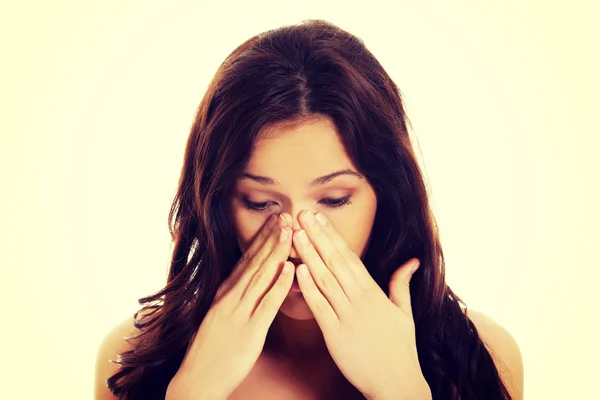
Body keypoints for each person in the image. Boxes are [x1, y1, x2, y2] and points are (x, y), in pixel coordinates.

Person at [94, 19, 524, 400]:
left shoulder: (484, 355)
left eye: (334, 200)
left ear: (388, 196)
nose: (297, 238)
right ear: (219, 204)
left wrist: (401, 392)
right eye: (261, 202)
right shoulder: (131, 361)